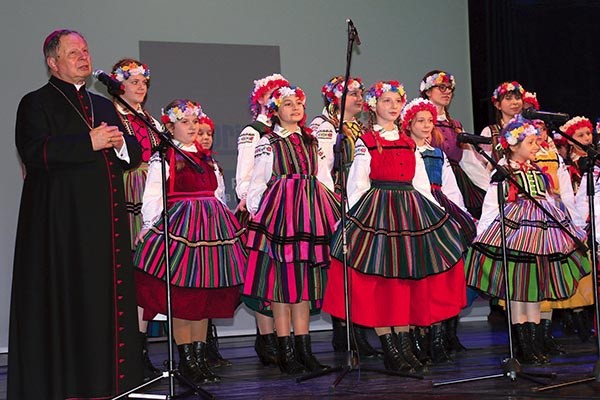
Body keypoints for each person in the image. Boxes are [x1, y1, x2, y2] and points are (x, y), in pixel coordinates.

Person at [9, 29, 143, 399]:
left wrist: (118, 144)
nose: (84, 57)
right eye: (73, 53)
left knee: (104, 306)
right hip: (62, 229)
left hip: (105, 228)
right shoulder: (35, 103)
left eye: (85, 51)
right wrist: (90, 141)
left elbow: (133, 153)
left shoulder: (103, 105)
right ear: (53, 62)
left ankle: (109, 384)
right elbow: (35, 151)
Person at [323, 81, 467, 373]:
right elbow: (358, 185)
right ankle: (389, 347)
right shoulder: (366, 141)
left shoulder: (408, 141)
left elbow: (421, 184)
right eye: (385, 101)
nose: (392, 106)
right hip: (378, 212)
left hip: (409, 211)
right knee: (380, 284)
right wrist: (350, 223)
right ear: (374, 106)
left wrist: (439, 218)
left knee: (403, 283)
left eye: (396, 101)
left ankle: (403, 346)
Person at [134, 100, 246, 384]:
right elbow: (154, 194)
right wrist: (150, 226)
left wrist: (224, 225)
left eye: (195, 121)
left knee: (204, 297)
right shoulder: (166, 156)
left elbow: (218, 192)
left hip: (211, 228)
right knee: (185, 296)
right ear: (171, 126)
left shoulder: (207, 157)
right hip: (182, 228)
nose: (193, 126)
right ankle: (186, 361)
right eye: (185, 121)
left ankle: (199, 357)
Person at [465, 115, 591, 365]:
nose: (537, 147)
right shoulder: (504, 170)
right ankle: (523, 344)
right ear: (513, 145)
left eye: (537, 142)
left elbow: (547, 198)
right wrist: (485, 236)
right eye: (532, 142)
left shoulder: (537, 171)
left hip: (541, 234)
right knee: (518, 290)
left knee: (533, 289)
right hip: (515, 234)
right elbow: (492, 204)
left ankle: (533, 341)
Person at [243, 85, 340, 374]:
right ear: (275, 111)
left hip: (310, 210)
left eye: (298, 103)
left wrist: (330, 210)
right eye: (287, 104)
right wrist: (258, 212)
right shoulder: (268, 141)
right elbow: (259, 180)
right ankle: (285, 350)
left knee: (304, 284)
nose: (295, 108)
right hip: (282, 212)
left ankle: (304, 349)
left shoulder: (311, 140)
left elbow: (323, 177)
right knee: (282, 283)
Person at [308, 75, 379, 358]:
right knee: (342, 266)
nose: (359, 98)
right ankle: (345, 332)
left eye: (360, 93)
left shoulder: (361, 127)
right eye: (351, 94)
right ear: (334, 98)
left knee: (358, 268)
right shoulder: (324, 127)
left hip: (362, 201)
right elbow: (322, 169)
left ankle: (358, 330)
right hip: (338, 201)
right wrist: (333, 202)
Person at [404, 97, 475, 363]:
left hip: (441, 207)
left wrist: (462, 215)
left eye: (429, 121)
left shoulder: (438, 153)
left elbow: (450, 187)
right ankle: (418, 337)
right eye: (420, 121)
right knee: (422, 275)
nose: (425, 125)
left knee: (444, 273)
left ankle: (440, 335)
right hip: (418, 208)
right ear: (409, 124)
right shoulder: (406, 151)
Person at [110, 58, 163, 378]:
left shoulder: (150, 119)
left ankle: (141, 349)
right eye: (134, 82)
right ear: (119, 85)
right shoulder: (114, 116)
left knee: (146, 274)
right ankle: (128, 350)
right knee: (130, 271)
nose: (141, 86)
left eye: (144, 82)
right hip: (131, 192)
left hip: (153, 194)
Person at [235, 73, 289, 367]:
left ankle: (284, 338)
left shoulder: (288, 131)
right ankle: (266, 339)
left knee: (283, 277)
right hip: (263, 210)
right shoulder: (253, 131)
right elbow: (244, 175)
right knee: (263, 276)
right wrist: (255, 209)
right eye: (275, 94)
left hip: (287, 210)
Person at [420, 70, 489, 220]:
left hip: (458, 181)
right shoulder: (420, 123)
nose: (447, 92)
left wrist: (491, 188)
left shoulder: (455, 126)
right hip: (430, 178)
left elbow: (470, 162)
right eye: (441, 87)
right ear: (428, 91)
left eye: (450, 88)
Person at [480, 81, 525, 162]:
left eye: (518, 98)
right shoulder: (490, 132)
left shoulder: (529, 129)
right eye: (508, 98)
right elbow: (482, 163)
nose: (515, 102)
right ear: (498, 105)